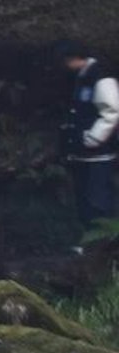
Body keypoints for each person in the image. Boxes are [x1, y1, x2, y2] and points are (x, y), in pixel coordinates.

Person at [64, 51, 119, 244]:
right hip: (82, 155)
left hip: (99, 155)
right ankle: (89, 242)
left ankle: (105, 245)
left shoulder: (100, 76)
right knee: (84, 199)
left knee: (99, 200)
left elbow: (112, 111)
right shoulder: (81, 78)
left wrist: (93, 138)